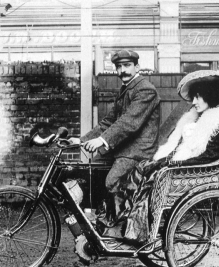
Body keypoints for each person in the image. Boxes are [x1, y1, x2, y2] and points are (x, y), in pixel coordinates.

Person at [122, 70, 219, 245]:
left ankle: (134, 230)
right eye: (193, 97)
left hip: (191, 173)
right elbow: (177, 147)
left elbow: (209, 157)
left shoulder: (218, 120)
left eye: (198, 97)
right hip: (179, 167)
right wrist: (162, 161)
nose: (194, 102)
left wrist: (174, 163)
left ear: (210, 96)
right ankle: (123, 224)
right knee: (140, 169)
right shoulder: (195, 118)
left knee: (147, 178)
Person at [69, 50, 161, 235]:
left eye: (127, 66)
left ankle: (123, 228)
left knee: (112, 180)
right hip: (125, 147)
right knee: (93, 169)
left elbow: (129, 122)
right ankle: (102, 220)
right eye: (119, 66)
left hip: (139, 150)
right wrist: (82, 140)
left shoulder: (145, 89)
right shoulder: (126, 89)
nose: (122, 70)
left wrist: (102, 141)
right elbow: (109, 121)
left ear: (137, 67)